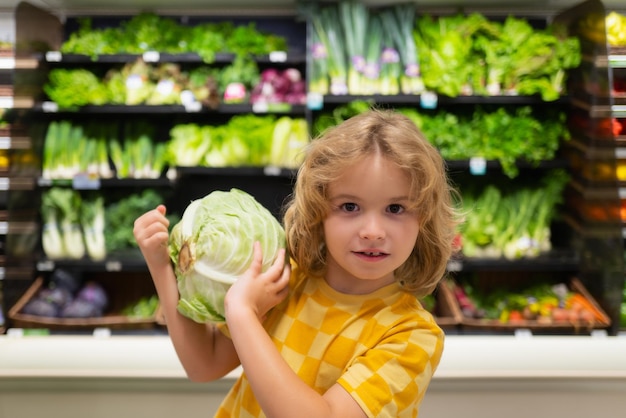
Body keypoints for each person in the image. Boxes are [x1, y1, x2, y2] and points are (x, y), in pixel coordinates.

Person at [133, 108, 461, 417]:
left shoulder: (411, 336)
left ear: (425, 219)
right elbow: (204, 364)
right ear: (318, 211)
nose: (372, 232)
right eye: (349, 207)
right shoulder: (285, 279)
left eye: (395, 209)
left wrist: (243, 314)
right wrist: (162, 265)